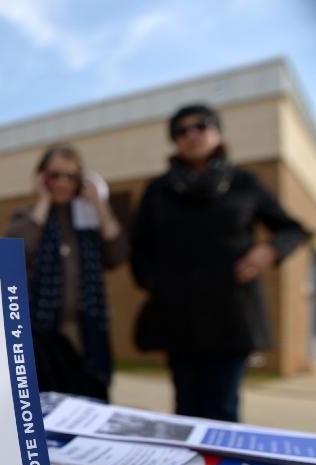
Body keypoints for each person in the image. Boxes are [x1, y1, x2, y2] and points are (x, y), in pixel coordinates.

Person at [131, 104, 310, 422]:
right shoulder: (158, 189)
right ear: (175, 140)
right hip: (179, 318)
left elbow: (293, 229)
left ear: (217, 132)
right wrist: (155, 282)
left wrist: (268, 251)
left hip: (231, 316)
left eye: (201, 125)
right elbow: (139, 247)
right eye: (181, 130)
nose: (192, 134)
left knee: (223, 409)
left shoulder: (244, 182)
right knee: (185, 411)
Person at [6, 145, 128, 400]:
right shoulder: (27, 216)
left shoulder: (89, 219)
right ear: (42, 178)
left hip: (85, 332)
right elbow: (14, 253)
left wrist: (100, 206)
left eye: (71, 176)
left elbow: (118, 255)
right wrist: (42, 203)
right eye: (55, 175)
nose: (63, 183)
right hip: (40, 333)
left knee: (91, 397)